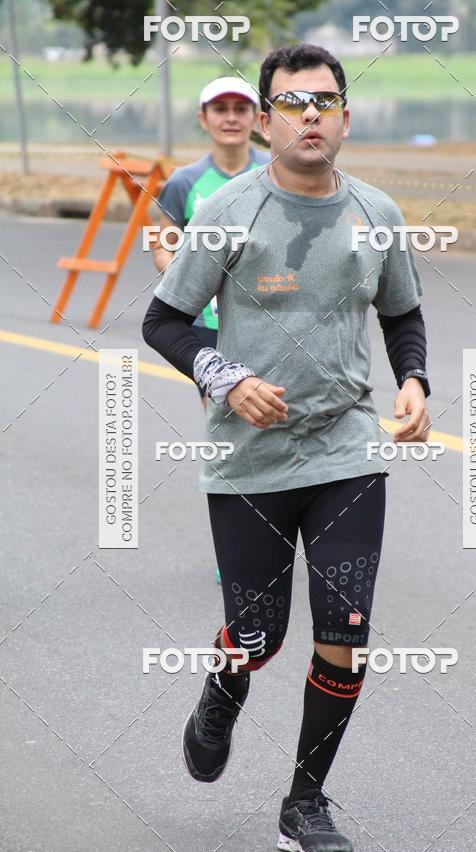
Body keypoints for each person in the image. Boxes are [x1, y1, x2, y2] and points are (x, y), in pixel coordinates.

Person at [142, 44, 430, 852]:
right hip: (250, 459)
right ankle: (226, 684)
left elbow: (403, 314)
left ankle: (304, 802)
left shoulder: (377, 211)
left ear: (345, 115)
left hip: (346, 449)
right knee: (259, 637)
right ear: (265, 122)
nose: (311, 116)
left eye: (326, 101)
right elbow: (164, 320)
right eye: (293, 103)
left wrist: (414, 381)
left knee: (346, 626)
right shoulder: (230, 210)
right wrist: (227, 379)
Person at [150, 75, 270, 584]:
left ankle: (280, 530)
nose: (229, 117)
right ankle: (235, 550)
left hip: (271, 325)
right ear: (204, 119)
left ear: (257, 119)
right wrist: (185, 281)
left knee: (274, 429)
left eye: (240, 108)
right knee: (228, 435)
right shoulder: (183, 183)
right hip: (206, 332)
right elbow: (161, 241)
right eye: (218, 108)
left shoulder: (278, 172)